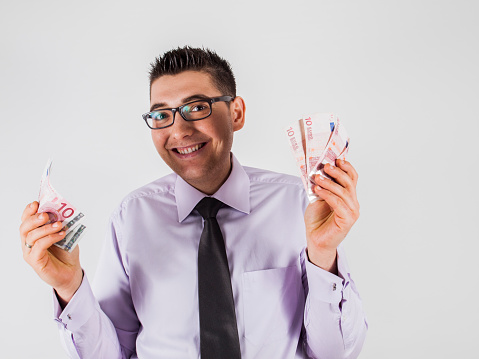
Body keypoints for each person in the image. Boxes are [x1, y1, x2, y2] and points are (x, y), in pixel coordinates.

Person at [19, 46, 368, 358]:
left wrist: (323, 255)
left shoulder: (298, 204)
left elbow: (334, 354)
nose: (179, 129)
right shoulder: (132, 218)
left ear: (236, 113)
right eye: (161, 115)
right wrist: (68, 288)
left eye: (196, 107)